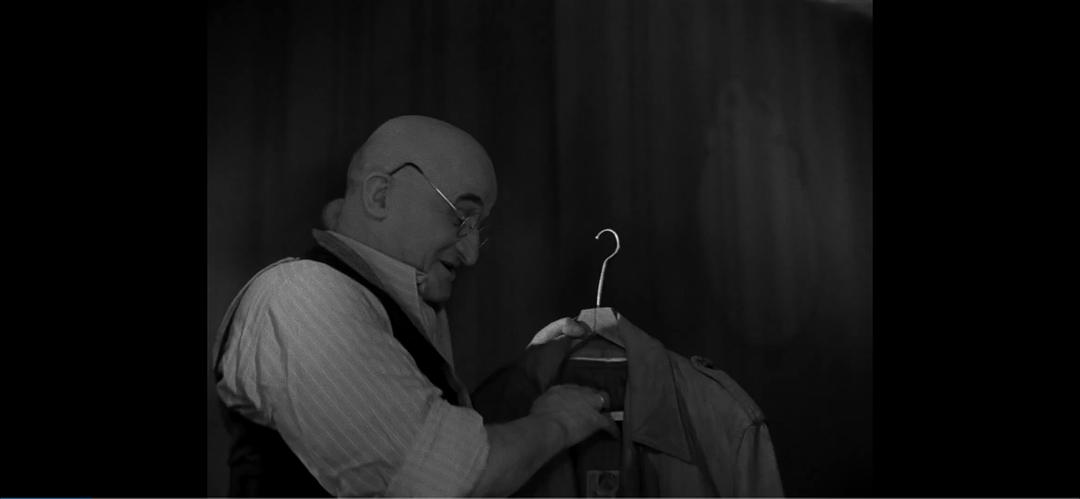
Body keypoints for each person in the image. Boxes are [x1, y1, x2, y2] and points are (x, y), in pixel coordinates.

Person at [212, 115, 617, 497]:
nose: (472, 254)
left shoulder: (390, 302)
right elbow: (446, 481)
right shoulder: (301, 295)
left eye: (478, 228)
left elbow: (430, 436)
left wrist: (523, 381)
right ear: (380, 195)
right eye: (461, 217)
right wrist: (558, 421)